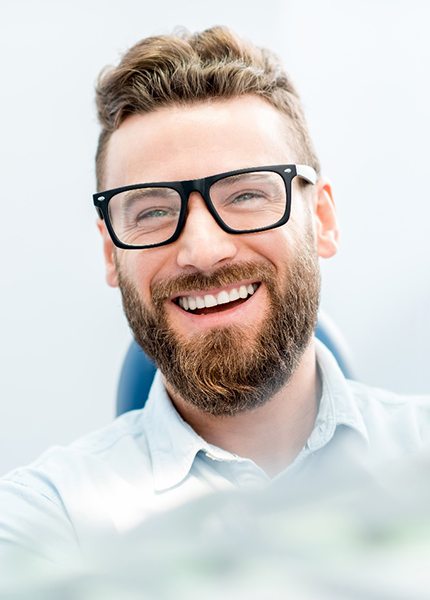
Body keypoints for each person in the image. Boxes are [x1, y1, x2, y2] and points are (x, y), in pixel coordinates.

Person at [0, 26, 429, 565]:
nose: (202, 250)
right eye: (153, 211)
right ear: (112, 254)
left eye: (247, 193)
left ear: (321, 219)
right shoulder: (49, 522)